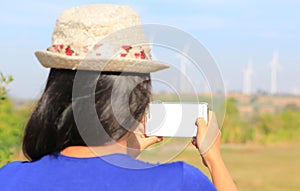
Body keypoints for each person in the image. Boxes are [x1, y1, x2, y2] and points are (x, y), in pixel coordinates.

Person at [0, 5, 238, 191]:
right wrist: (213, 158)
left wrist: (124, 154)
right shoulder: (180, 181)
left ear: (55, 91)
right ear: (138, 96)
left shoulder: (9, 178)